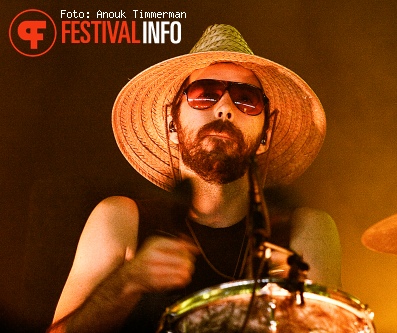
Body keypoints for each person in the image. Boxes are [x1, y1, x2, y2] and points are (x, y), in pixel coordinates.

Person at [48, 24, 341, 333]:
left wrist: (301, 311)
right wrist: (127, 282)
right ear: (172, 126)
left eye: (246, 98)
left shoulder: (307, 232)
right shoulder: (120, 220)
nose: (225, 108)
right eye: (205, 95)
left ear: (266, 134)